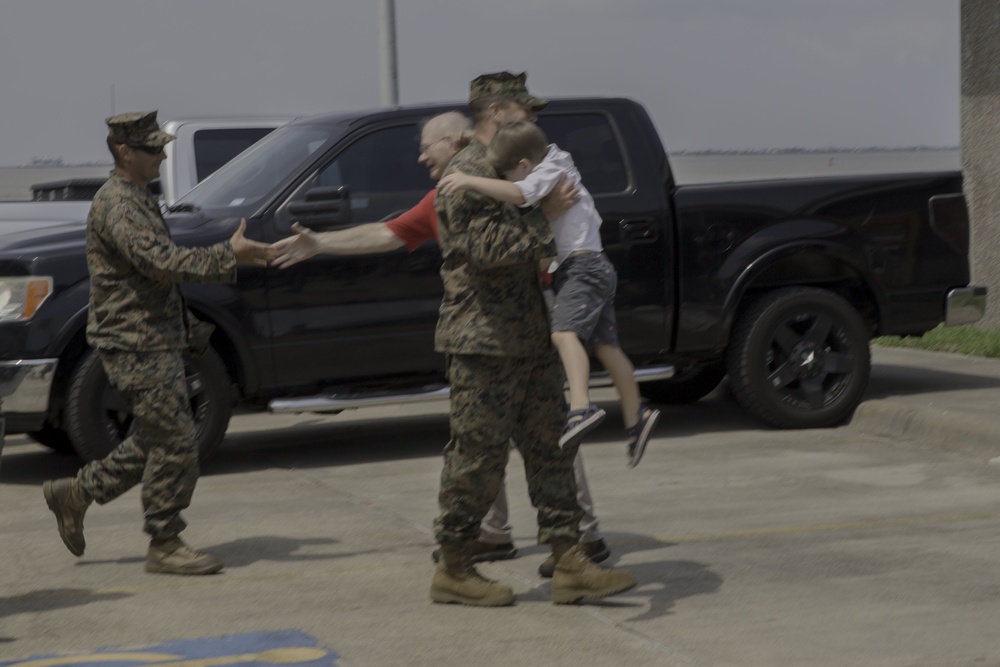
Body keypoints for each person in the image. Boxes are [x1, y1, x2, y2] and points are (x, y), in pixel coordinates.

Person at [272, 111, 613, 576]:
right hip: (487, 337)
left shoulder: (520, 181)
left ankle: (580, 539)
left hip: (532, 329)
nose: (420, 155)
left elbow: (560, 227)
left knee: (547, 440)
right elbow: (388, 232)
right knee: (482, 446)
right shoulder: (453, 194)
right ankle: (486, 539)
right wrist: (322, 243)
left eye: (427, 145)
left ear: (455, 140)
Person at [430, 70, 635, 606]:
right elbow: (485, 248)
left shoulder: (524, 164)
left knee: (553, 448)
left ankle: (569, 560)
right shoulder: (465, 172)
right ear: (497, 110)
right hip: (482, 341)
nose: (536, 119)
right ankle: (454, 567)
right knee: (478, 456)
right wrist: (546, 220)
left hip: (531, 334)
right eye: (528, 110)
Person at [41, 111, 274, 575]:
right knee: (178, 441)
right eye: (153, 148)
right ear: (125, 152)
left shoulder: (137, 197)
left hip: (152, 337)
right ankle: (165, 540)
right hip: (134, 343)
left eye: (162, 146)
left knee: (156, 438)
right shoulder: (119, 204)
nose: (162, 154)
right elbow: (161, 262)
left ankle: (76, 493)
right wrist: (231, 254)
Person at [439, 120, 661, 468]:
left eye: (510, 173)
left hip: (581, 269)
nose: (510, 181)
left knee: (563, 333)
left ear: (525, 165)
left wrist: (469, 180)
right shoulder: (554, 158)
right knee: (606, 346)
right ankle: (637, 416)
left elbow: (521, 194)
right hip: (595, 265)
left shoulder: (549, 171)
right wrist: (472, 138)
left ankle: (580, 407)